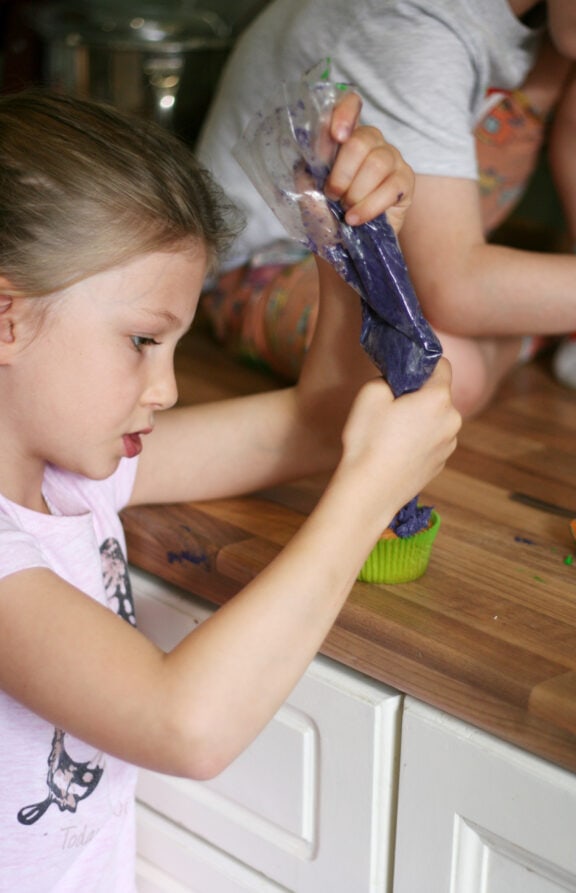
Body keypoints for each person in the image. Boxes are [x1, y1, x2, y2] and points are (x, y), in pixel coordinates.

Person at [0, 89, 460, 890]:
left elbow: (317, 423)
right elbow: (186, 725)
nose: (167, 387)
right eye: (143, 339)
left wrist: (340, 234)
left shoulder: (68, 478)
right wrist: (365, 495)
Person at [196, 0, 576, 414]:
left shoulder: (565, 25)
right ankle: (526, 332)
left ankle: (534, 317)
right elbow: (454, 289)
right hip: (275, 267)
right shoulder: (409, 26)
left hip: (420, 259)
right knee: (442, 372)